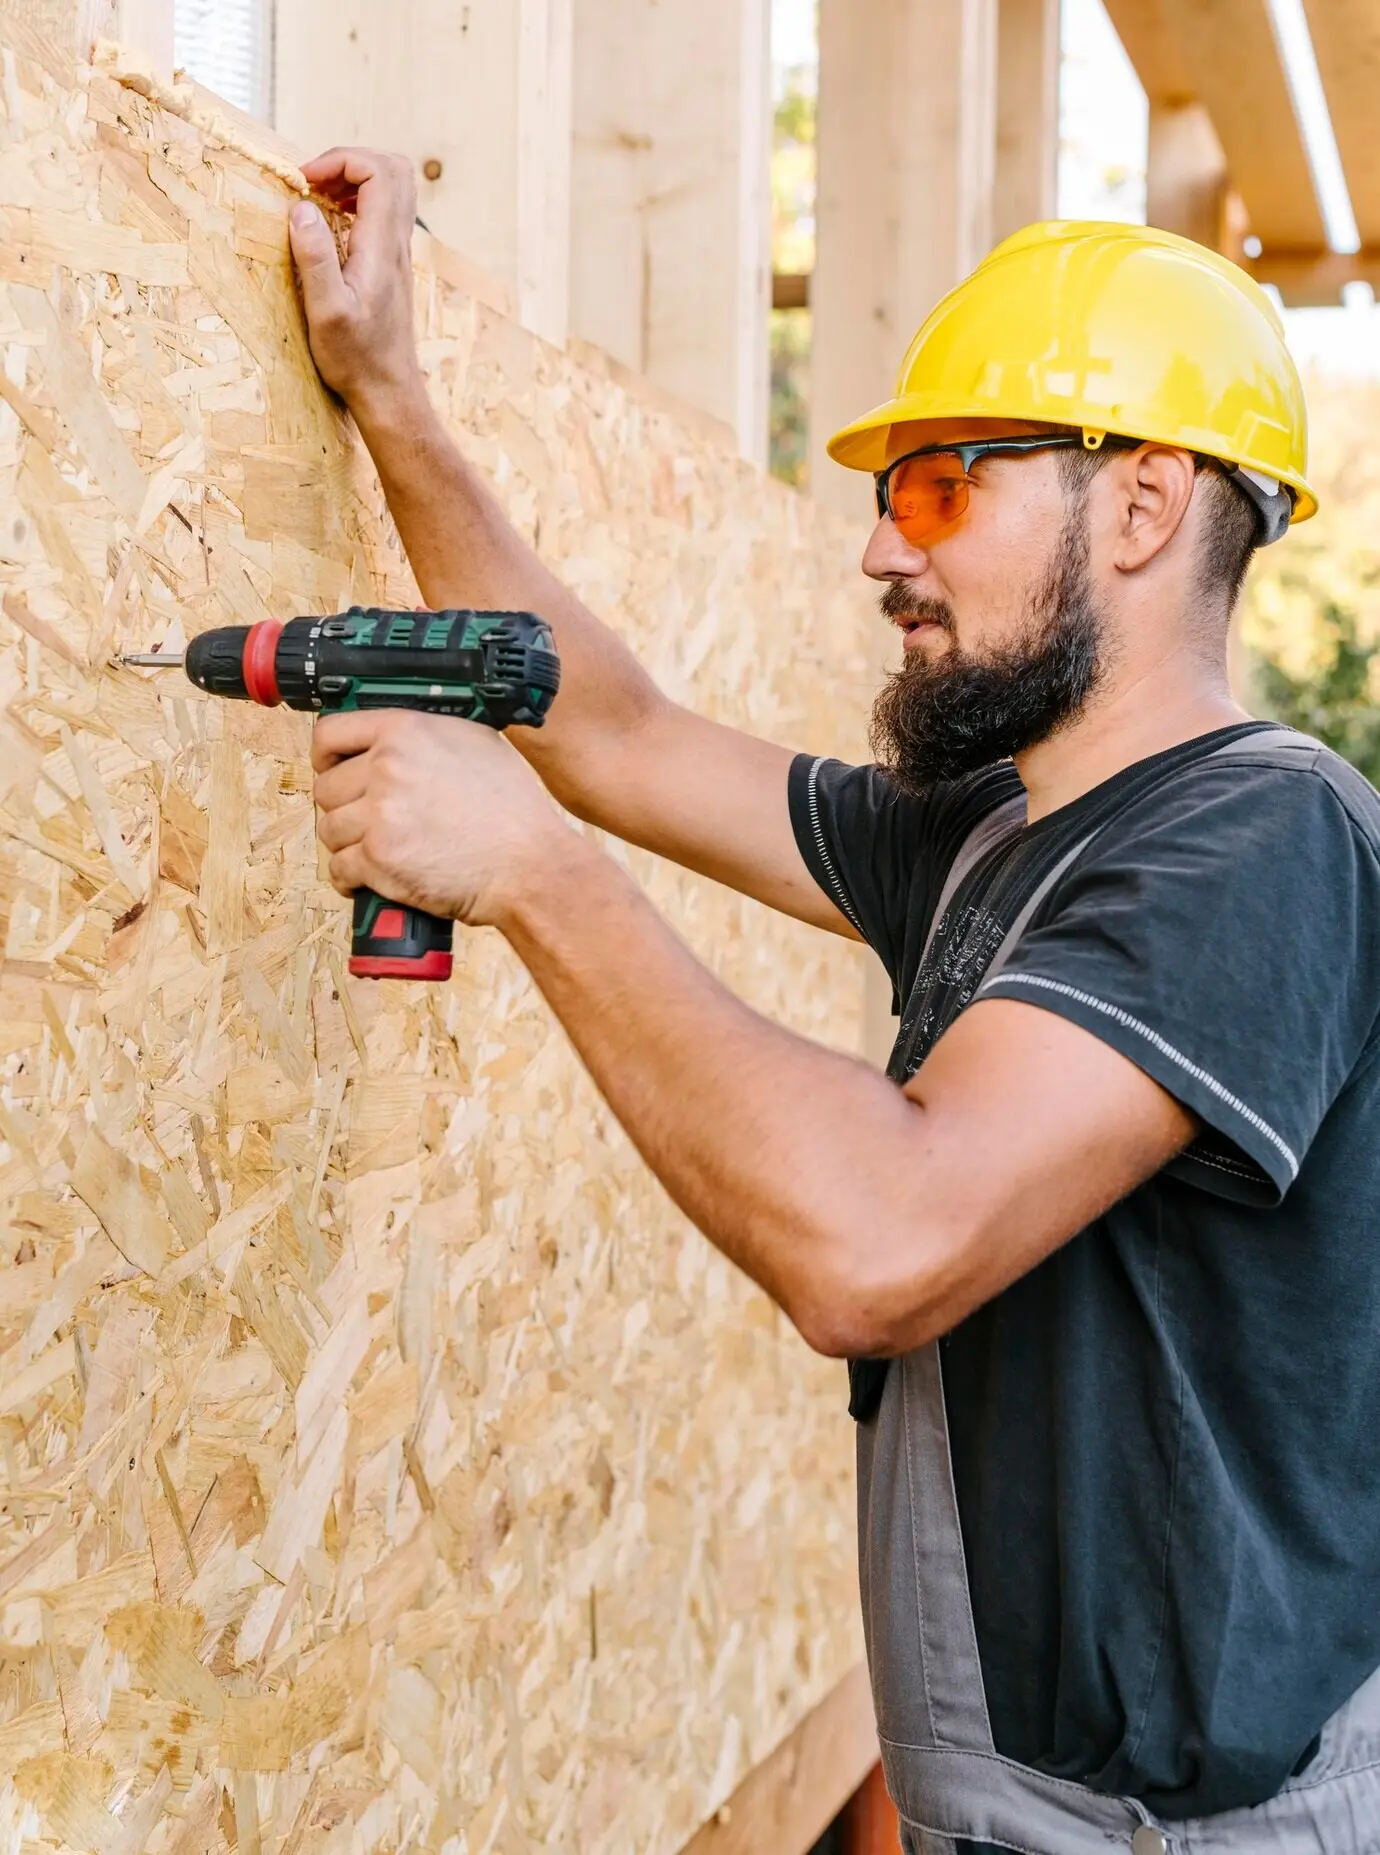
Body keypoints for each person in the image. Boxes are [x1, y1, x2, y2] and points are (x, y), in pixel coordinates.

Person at [289, 153, 1380, 1854]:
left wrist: (536, 876)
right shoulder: (994, 831)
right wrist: (393, 399)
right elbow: (621, 736)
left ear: (1149, 504)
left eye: (941, 486)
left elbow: (884, 1239)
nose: (880, 545)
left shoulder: (1263, 840)